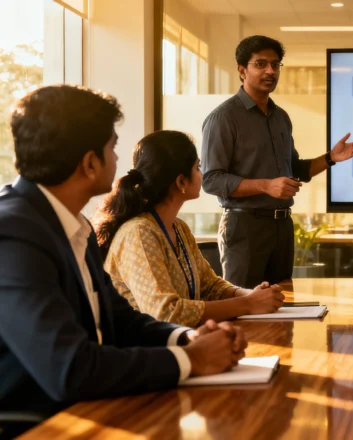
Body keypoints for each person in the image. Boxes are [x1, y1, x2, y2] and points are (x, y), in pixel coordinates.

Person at [0, 85, 247, 436]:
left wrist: (188, 338)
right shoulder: (13, 233)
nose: (118, 161)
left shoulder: (74, 226)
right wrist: (192, 359)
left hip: (92, 409)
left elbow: (120, 319)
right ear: (90, 163)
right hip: (42, 426)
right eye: (112, 148)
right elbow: (70, 368)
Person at [201, 35, 353, 287]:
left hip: (282, 227)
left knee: (282, 301)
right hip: (245, 226)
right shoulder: (223, 118)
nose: (270, 71)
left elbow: (296, 169)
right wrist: (266, 185)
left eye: (275, 64)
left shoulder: (280, 117)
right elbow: (211, 180)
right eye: (261, 64)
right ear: (242, 70)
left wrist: (330, 158)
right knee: (244, 302)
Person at [94, 130, 286, 327]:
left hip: (184, 338)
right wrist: (248, 304)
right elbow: (166, 313)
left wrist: (252, 295)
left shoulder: (179, 227)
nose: (202, 174)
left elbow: (210, 286)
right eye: (197, 167)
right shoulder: (139, 233)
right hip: (145, 344)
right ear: (181, 182)